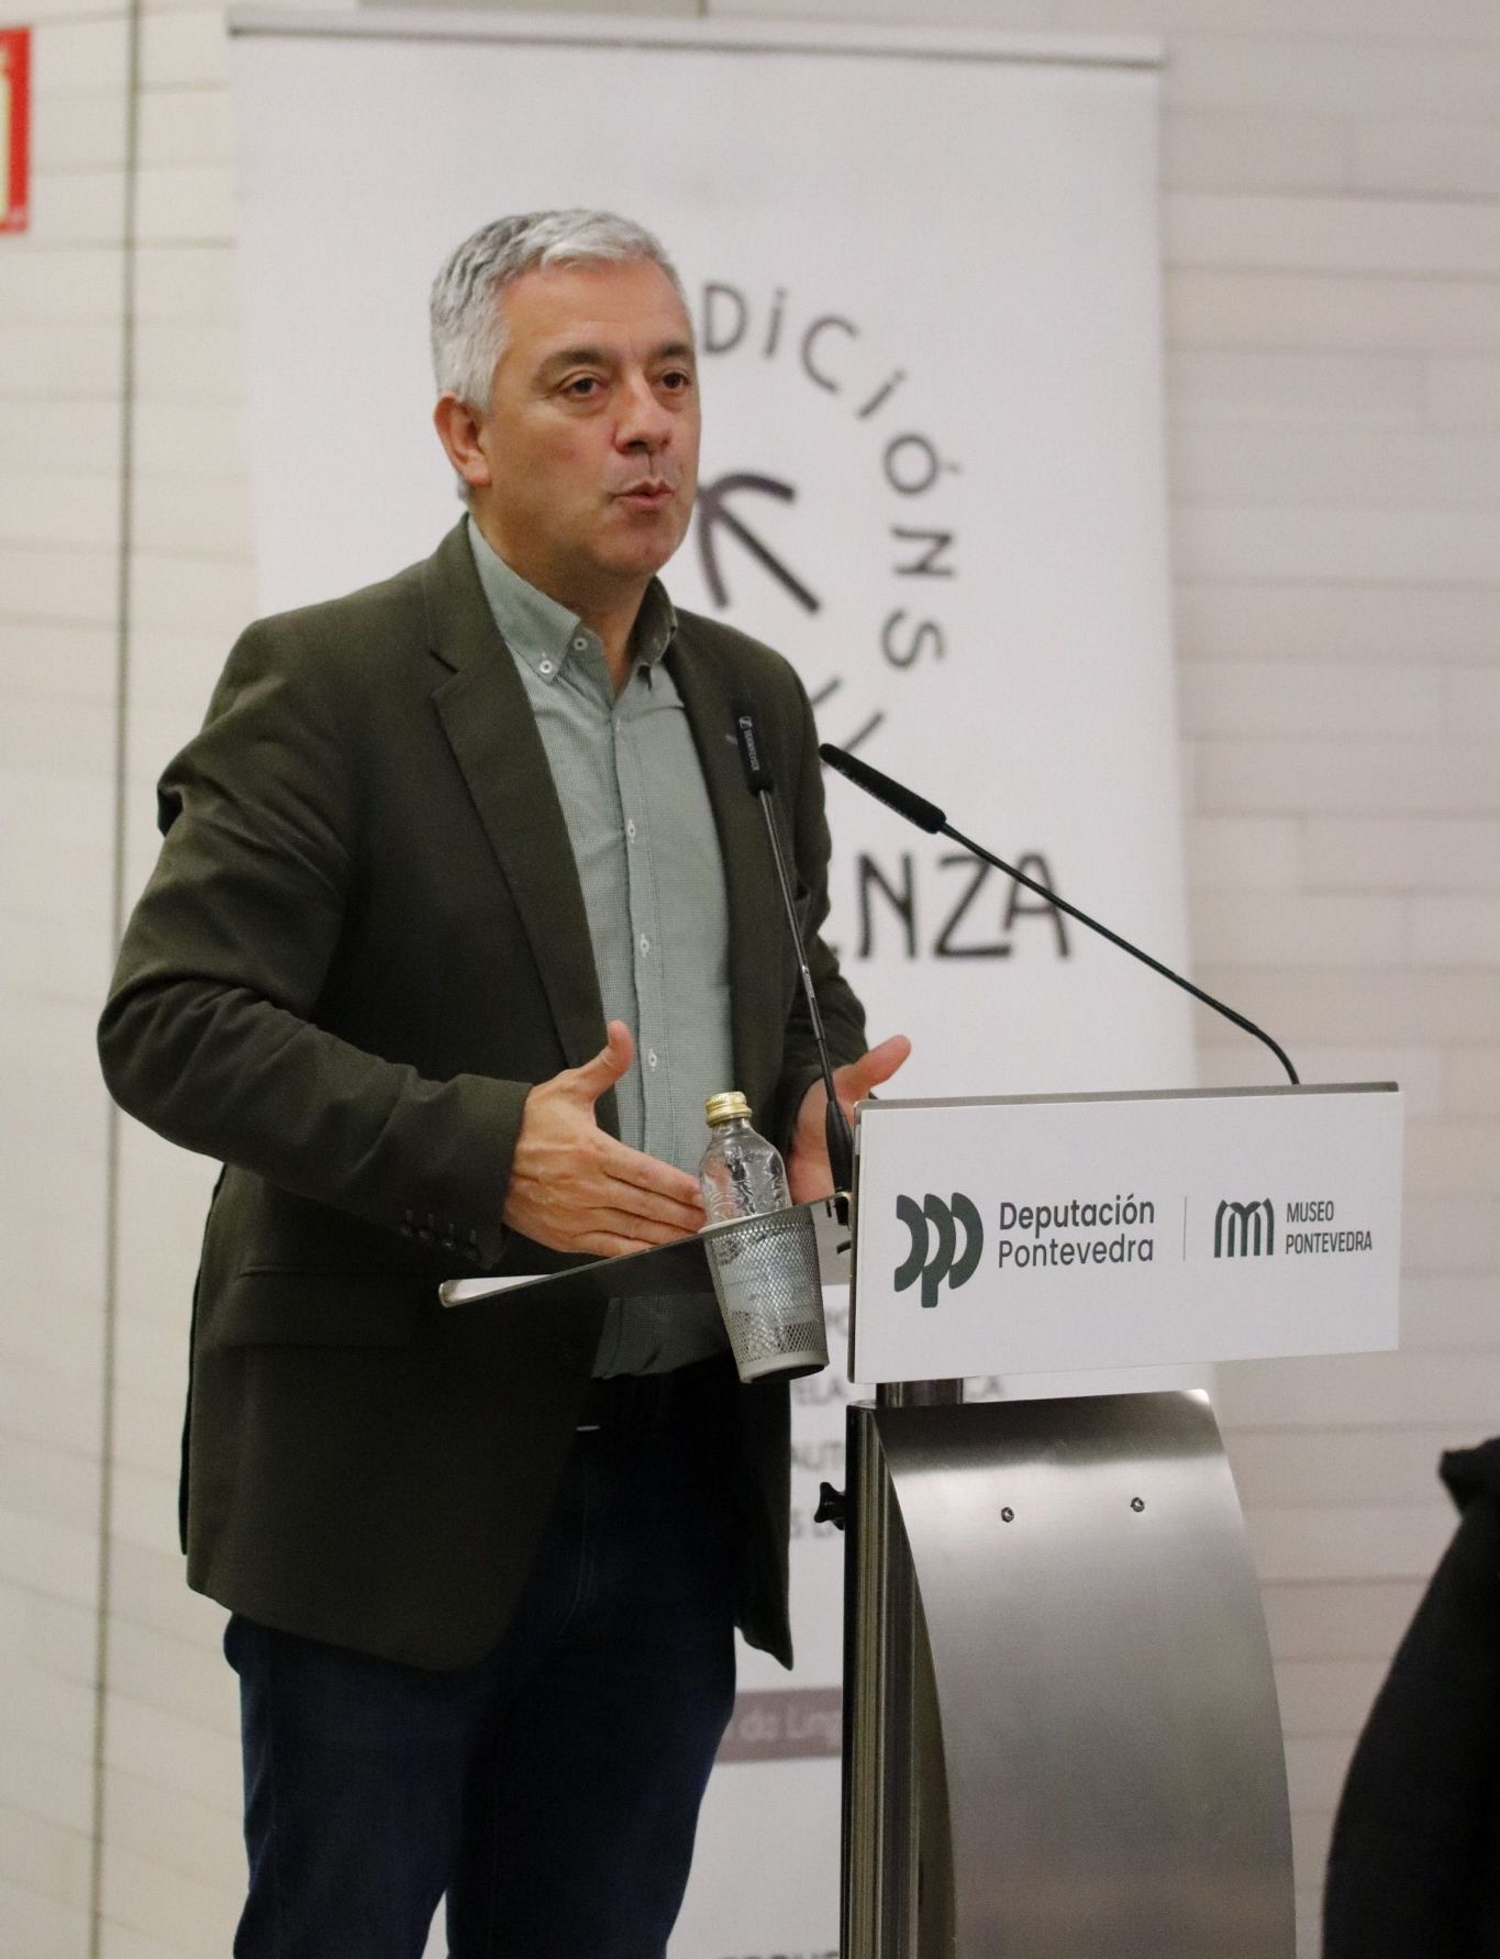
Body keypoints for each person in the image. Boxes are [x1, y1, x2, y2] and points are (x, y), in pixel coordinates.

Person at [97, 209, 909, 1959]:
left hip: (679, 1475)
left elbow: (791, 992)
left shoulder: (751, 702)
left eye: (674, 380)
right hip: (392, 1481)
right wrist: (482, 1151)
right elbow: (172, 1020)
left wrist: (819, 1099)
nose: (650, 425)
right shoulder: (330, 685)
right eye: (586, 385)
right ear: (466, 434)